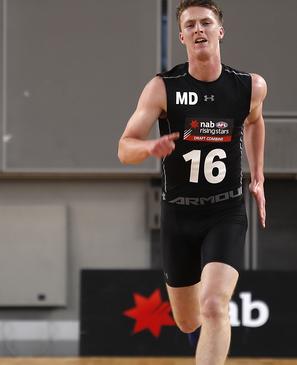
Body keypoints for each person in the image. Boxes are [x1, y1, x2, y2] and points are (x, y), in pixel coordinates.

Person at [118, 0, 266, 363]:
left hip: (226, 211)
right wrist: (148, 147)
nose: (199, 29)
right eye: (191, 25)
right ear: (182, 36)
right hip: (179, 215)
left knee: (215, 305)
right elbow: (125, 147)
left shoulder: (249, 86)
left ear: (220, 31)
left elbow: (255, 122)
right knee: (187, 322)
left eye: (205, 22)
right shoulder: (162, 88)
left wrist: (258, 177)